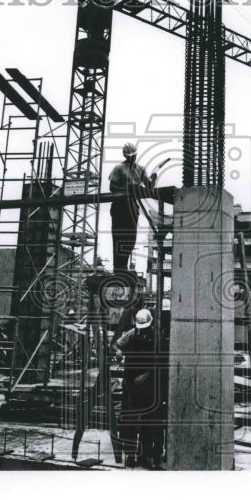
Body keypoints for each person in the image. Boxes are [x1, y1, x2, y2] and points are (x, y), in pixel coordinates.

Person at [114, 308, 166, 468]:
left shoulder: (157, 336)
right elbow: (118, 345)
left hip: (149, 384)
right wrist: (119, 353)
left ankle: (145, 455)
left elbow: (161, 360)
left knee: (148, 421)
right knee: (129, 420)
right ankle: (130, 455)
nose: (142, 331)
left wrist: (146, 376)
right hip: (131, 384)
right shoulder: (131, 333)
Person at [108, 143, 156, 275]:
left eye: (132, 156)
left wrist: (152, 181)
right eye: (128, 157)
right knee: (118, 237)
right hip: (119, 206)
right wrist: (128, 188)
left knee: (130, 237)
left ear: (136, 155)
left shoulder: (140, 169)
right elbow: (112, 187)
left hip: (132, 207)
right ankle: (119, 268)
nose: (131, 159)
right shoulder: (118, 168)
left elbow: (148, 186)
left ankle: (123, 266)